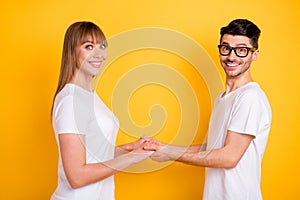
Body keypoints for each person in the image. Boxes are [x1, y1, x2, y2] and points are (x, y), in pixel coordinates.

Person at [144, 19, 272, 200]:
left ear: (255, 54)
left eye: (242, 50)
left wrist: (170, 154)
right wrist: (164, 148)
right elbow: (214, 148)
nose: (232, 57)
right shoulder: (222, 98)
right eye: (226, 48)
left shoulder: (250, 97)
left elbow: (229, 157)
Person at [51, 21, 153, 200]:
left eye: (102, 46)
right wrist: (132, 158)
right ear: (72, 52)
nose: (99, 54)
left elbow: (95, 153)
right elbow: (76, 176)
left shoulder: (88, 95)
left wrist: (131, 148)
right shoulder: (70, 101)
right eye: (89, 46)